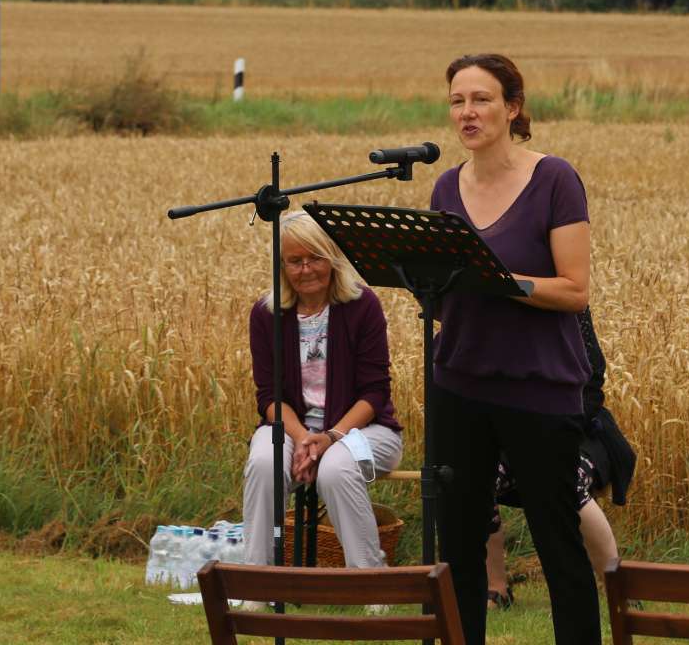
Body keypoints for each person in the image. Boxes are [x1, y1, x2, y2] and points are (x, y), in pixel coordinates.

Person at [429, 53, 600, 645]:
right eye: (457, 101)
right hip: (459, 385)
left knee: (557, 539)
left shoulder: (554, 178)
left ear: (513, 107)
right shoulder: (445, 185)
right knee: (458, 539)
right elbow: (445, 288)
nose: (467, 112)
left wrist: (504, 283)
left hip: (539, 388)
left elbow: (575, 290)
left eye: (480, 99)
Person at [243, 210, 402, 568]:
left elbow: (374, 393)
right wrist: (302, 438)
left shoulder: (362, 306)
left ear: (332, 257)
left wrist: (330, 437)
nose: (306, 269)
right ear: (281, 265)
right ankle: (256, 578)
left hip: (364, 429)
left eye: (315, 258)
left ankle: (369, 581)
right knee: (264, 462)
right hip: (295, 429)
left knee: (336, 468)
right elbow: (269, 396)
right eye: (294, 261)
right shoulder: (266, 314)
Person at [485, 306, 634, 610]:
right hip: (511, 431)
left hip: (577, 429)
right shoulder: (493, 309)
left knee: (569, 480)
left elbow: (592, 387)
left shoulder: (570, 306)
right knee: (480, 475)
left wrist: (546, 432)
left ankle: (616, 588)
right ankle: (497, 588)